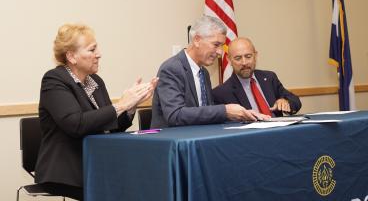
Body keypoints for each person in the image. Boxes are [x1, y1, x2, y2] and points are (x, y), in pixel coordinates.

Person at [35, 23, 158, 200]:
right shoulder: (54, 80)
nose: (99, 54)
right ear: (71, 56)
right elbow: (75, 124)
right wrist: (121, 105)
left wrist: (131, 106)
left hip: (97, 165)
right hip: (68, 172)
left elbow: (111, 128)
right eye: (92, 50)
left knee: (144, 180)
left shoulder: (95, 81)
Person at [151, 16, 269, 128]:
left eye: (221, 46)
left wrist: (242, 115)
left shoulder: (204, 73)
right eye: (216, 45)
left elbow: (207, 115)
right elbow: (175, 115)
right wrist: (225, 111)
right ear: (197, 40)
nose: (219, 52)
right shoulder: (172, 68)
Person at [212, 37, 301, 116]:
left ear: (255, 56)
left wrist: (285, 101)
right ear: (229, 60)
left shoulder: (269, 78)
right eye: (238, 58)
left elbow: (295, 101)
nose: (244, 63)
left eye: (248, 56)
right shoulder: (221, 93)